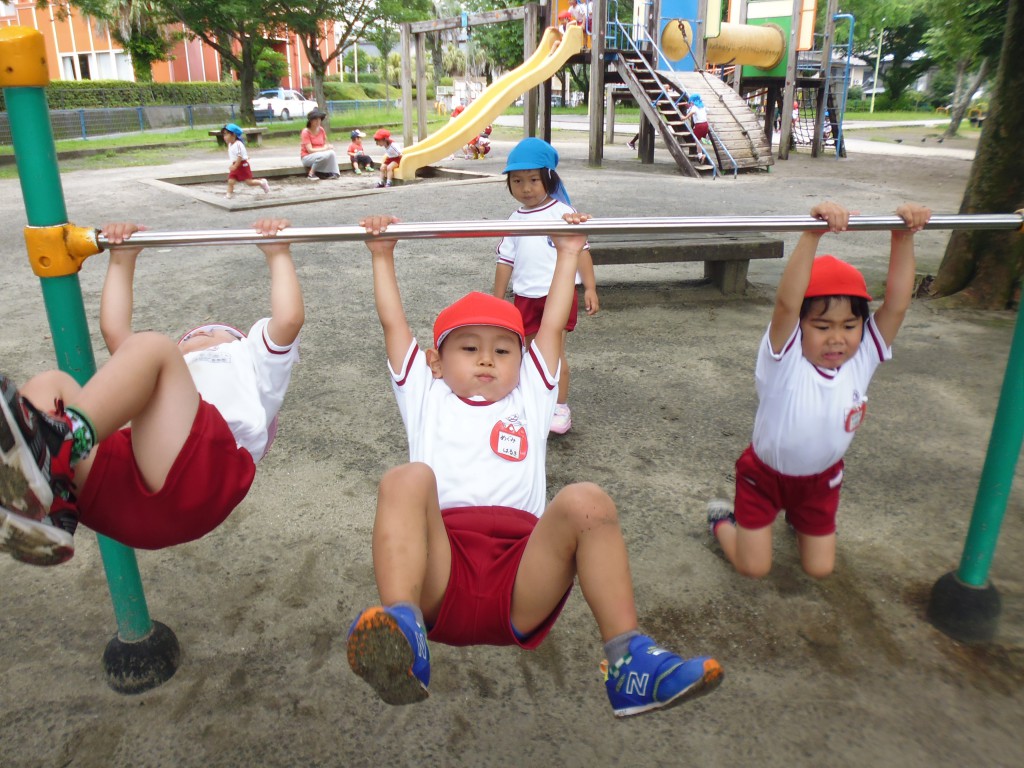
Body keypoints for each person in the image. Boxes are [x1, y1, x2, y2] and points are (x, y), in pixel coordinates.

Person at [345, 211, 722, 718]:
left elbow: (549, 325)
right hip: (439, 569)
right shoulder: (425, 394)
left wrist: (567, 253)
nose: (486, 360)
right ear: (436, 361)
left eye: (503, 351)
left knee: (586, 500)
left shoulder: (531, 398)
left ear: (523, 364)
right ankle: (405, 630)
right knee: (406, 478)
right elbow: (393, 323)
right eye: (469, 349)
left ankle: (628, 661)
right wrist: (382, 254)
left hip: (522, 572)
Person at [0, 219, 304, 566]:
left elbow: (289, 319)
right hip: (133, 491)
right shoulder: (165, 381)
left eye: (215, 333)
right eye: (190, 338)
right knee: (49, 385)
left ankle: (59, 446)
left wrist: (278, 253)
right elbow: (117, 332)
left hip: (204, 479)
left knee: (153, 347)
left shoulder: (254, 361)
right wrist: (123, 257)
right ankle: (48, 502)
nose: (197, 337)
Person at [707, 201, 932, 579]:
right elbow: (785, 304)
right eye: (823, 326)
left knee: (820, 568)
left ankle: (799, 519)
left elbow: (895, 307)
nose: (837, 339)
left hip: (820, 482)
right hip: (763, 479)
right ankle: (721, 521)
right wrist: (812, 234)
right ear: (801, 326)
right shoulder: (785, 357)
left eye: (848, 326)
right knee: (754, 567)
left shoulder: (862, 358)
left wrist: (903, 237)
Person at [492, 138, 598, 434]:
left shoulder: (562, 214)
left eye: (534, 180)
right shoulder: (514, 219)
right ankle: (532, 401)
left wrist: (589, 287)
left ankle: (560, 406)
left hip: (557, 297)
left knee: (555, 352)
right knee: (527, 354)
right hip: (525, 297)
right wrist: (497, 300)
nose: (525, 188)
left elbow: (582, 251)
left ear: (549, 179)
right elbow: (505, 261)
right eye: (517, 181)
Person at [222, 123, 270, 199]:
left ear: (233, 135)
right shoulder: (230, 144)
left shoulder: (238, 144)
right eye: (224, 135)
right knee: (231, 181)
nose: (224, 137)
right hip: (235, 165)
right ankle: (229, 194)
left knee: (249, 182)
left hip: (242, 165)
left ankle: (262, 182)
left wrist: (235, 166)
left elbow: (239, 156)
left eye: (226, 134)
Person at [300, 109, 340, 180]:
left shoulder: (321, 130)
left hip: (320, 154)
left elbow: (325, 143)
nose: (318, 121)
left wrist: (328, 147)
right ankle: (311, 174)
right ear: (311, 121)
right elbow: (310, 150)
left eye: (319, 119)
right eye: (315, 119)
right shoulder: (305, 132)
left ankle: (333, 172)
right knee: (322, 155)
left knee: (332, 153)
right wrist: (325, 149)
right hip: (307, 157)